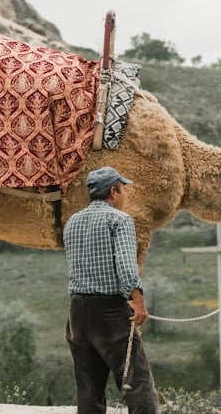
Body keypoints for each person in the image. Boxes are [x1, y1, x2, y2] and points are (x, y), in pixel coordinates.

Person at [64, 166, 159, 413]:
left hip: (77, 314)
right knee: (138, 384)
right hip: (109, 313)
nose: (125, 194)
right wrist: (138, 302)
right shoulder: (119, 220)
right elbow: (127, 268)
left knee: (89, 391)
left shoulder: (72, 222)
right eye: (123, 189)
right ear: (113, 192)